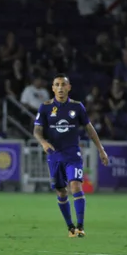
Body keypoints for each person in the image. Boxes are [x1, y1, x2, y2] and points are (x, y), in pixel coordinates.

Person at [33, 74, 109, 238]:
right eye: (57, 85)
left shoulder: (77, 107)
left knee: (75, 185)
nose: (60, 87)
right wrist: (43, 143)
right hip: (54, 156)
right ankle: (70, 227)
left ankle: (80, 226)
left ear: (69, 87)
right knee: (61, 192)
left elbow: (89, 128)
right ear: (53, 88)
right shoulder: (45, 108)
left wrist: (101, 149)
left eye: (63, 84)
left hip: (72, 155)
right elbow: (37, 131)